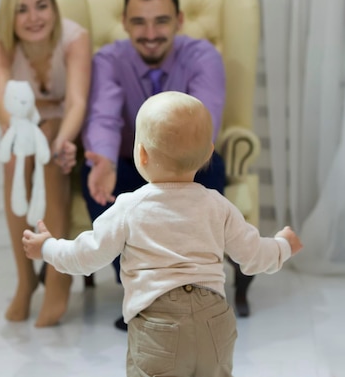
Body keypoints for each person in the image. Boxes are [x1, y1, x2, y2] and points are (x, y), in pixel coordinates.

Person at [22, 92, 303, 377]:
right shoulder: (218, 205)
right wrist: (283, 246)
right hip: (215, 320)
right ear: (209, 153)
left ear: (141, 154)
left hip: (159, 325)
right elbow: (253, 255)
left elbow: (86, 256)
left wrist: (47, 248)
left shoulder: (130, 207)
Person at [80, 0, 254, 330]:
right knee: (95, 175)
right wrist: (104, 160)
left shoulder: (201, 55)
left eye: (161, 21)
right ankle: (144, 298)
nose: (150, 33)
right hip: (132, 162)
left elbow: (205, 122)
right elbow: (103, 117)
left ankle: (198, 294)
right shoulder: (109, 60)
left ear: (179, 20)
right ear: (125, 23)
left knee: (210, 172)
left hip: (192, 163)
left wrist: (174, 167)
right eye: (139, 22)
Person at [0, 0, 91, 327]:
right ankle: (26, 277)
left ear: (53, 8)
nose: (34, 18)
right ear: (8, 17)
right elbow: (5, 111)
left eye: (42, 6)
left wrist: (62, 139)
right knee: (14, 162)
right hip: (22, 126)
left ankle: (57, 276)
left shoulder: (75, 38)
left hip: (67, 125)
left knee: (50, 153)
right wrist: (26, 138)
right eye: (22, 9)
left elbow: (76, 102)